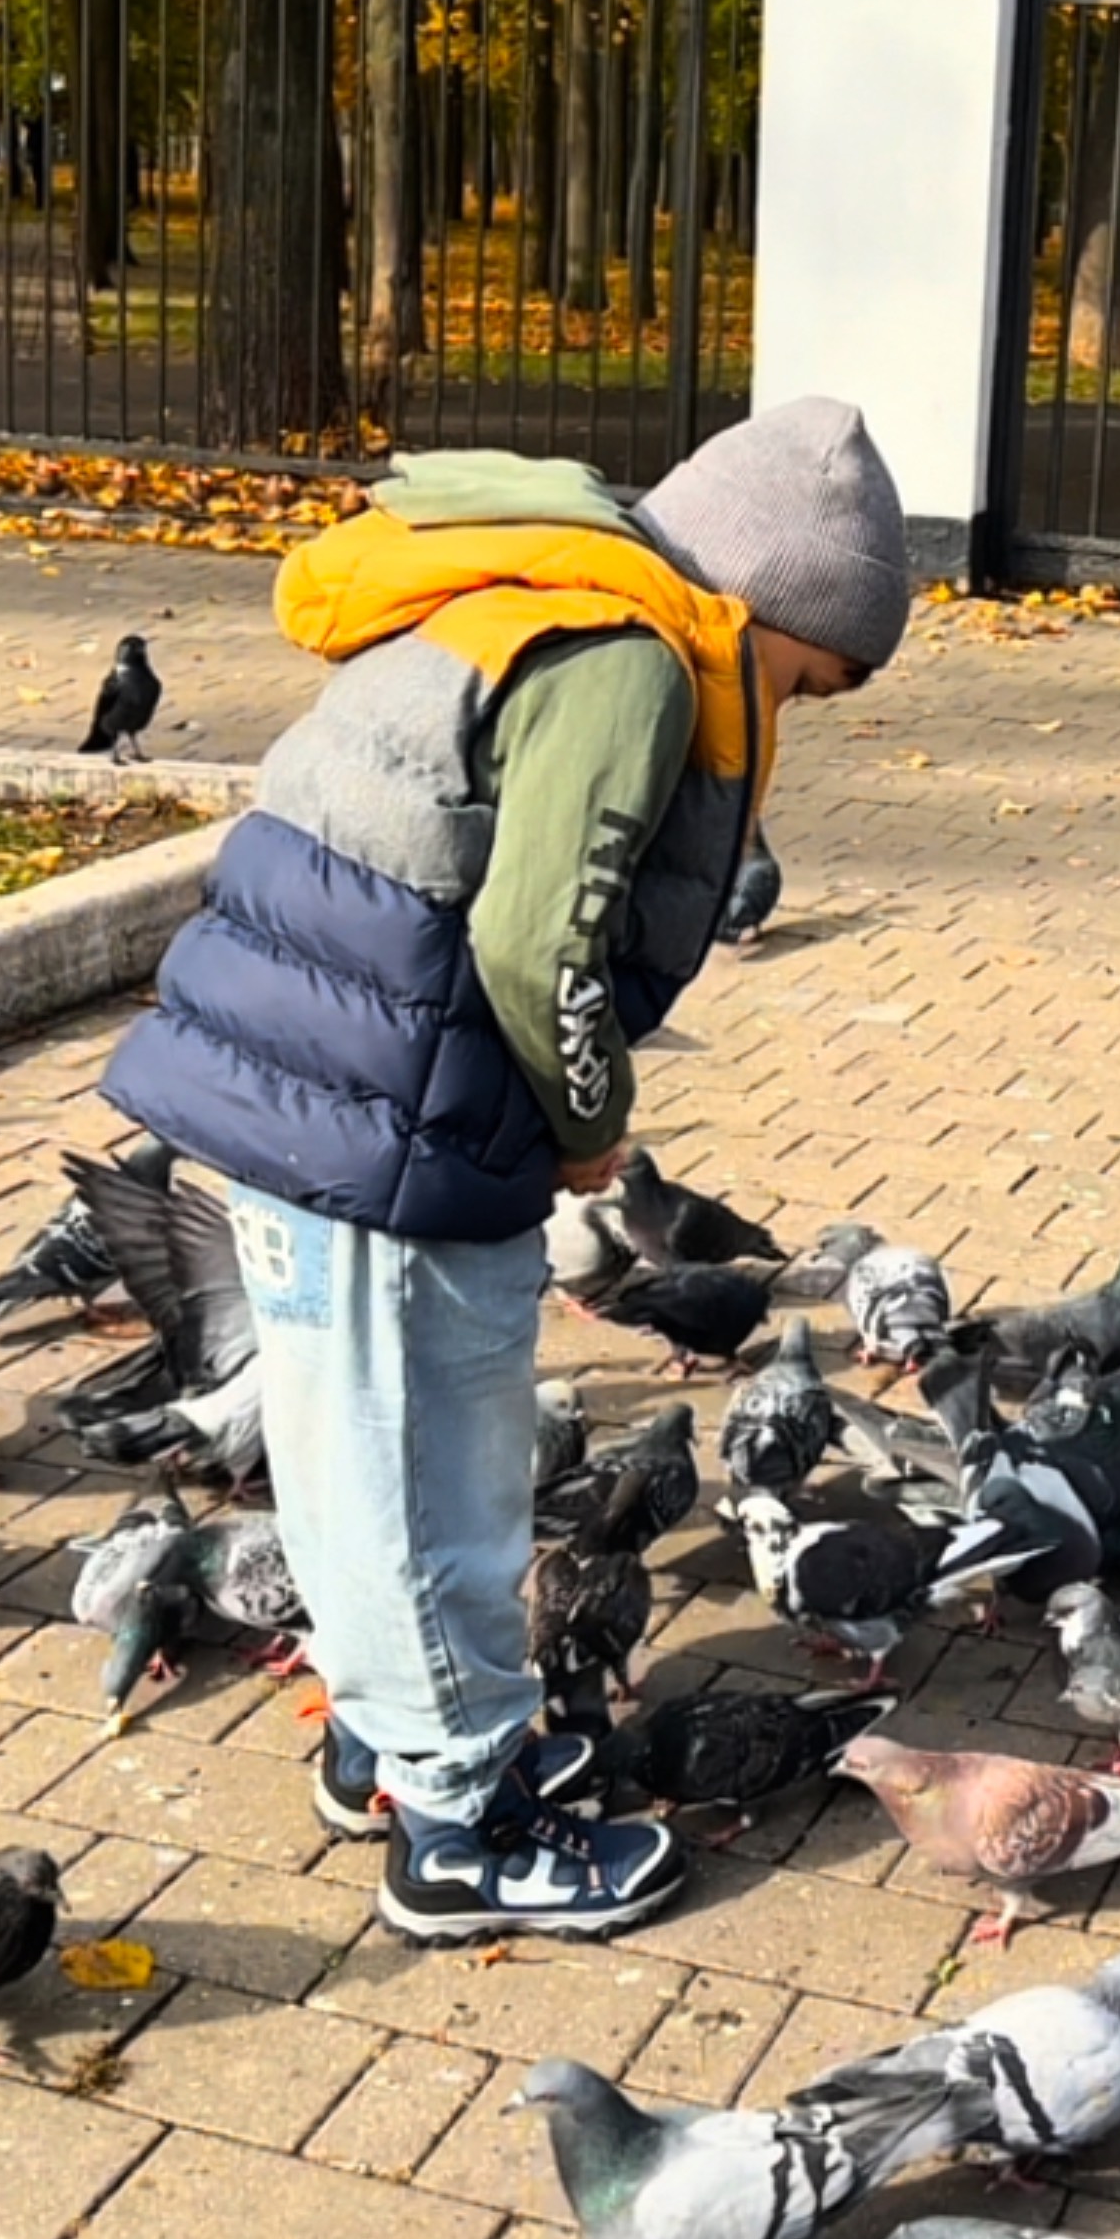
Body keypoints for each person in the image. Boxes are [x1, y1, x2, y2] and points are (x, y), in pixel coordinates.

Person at [102, 398, 911, 1947]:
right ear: (762, 603)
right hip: (397, 1111)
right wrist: (593, 1117)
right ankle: (461, 1828)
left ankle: (386, 1742)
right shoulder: (628, 656)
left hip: (323, 1089)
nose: (787, 721)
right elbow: (539, 943)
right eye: (802, 683)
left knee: (351, 1453)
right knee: (427, 1476)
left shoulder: (538, 589)